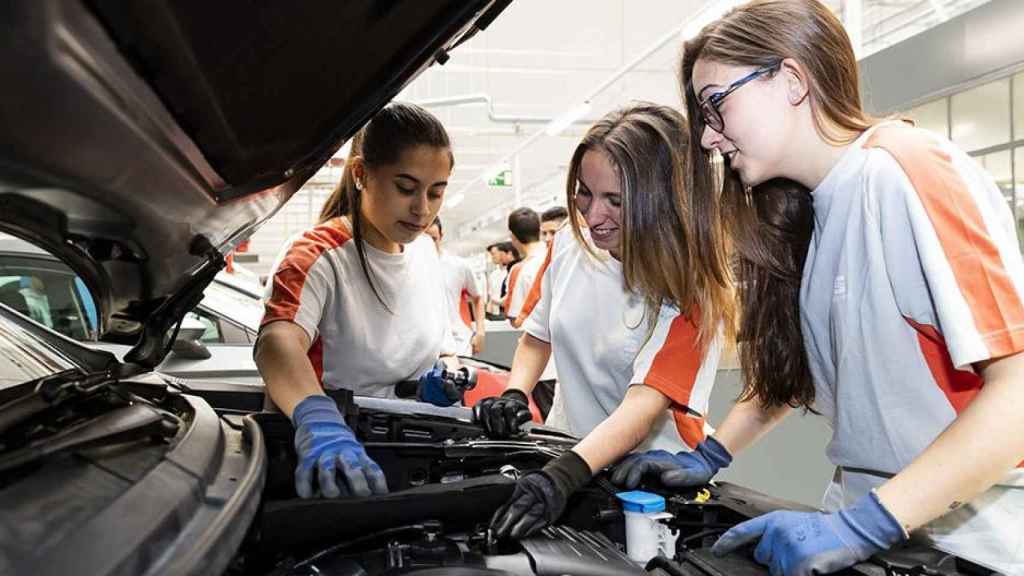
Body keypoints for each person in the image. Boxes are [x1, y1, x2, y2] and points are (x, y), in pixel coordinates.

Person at [616, 1, 1024, 573]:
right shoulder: (812, 210)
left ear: (790, 80)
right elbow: (799, 375)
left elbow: (1017, 395)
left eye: (715, 107)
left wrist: (866, 524)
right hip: (882, 530)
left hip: (969, 545)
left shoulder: (904, 170)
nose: (709, 139)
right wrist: (711, 453)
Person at [484, 103, 735, 540]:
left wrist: (562, 477)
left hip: (652, 484)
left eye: (615, 201)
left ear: (663, 199)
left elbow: (644, 406)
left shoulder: (691, 284)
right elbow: (538, 337)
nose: (591, 215)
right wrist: (515, 392)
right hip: (568, 454)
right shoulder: (568, 245)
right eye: (584, 192)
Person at [255, 102, 460, 501]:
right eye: (406, 188)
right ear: (361, 174)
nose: (423, 209)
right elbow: (276, 342)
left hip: (412, 450)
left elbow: (444, 346)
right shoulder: (317, 255)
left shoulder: (422, 253)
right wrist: (317, 418)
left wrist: (445, 375)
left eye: (436, 192)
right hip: (332, 460)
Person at [425, 217, 486, 355]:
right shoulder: (411, 267)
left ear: (441, 236)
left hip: (459, 341)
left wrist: (480, 332)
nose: (429, 244)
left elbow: (477, 298)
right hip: (426, 344)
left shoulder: (459, 266)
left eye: (433, 239)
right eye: (425, 239)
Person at [503, 208, 546, 327]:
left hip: (535, 339)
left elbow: (515, 320)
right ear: (540, 231)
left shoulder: (519, 270)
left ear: (513, 237)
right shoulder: (557, 257)